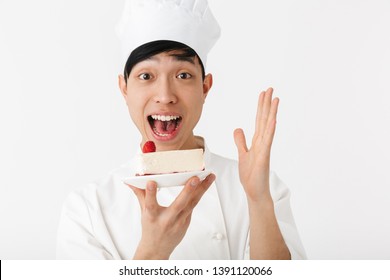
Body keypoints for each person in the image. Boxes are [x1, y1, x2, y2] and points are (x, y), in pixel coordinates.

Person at [56, 0, 306, 260]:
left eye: (183, 75)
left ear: (205, 88)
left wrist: (258, 201)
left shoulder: (258, 187)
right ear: (124, 89)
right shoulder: (88, 210)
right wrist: (153, 251)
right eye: (146, 76)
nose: (165, 96)